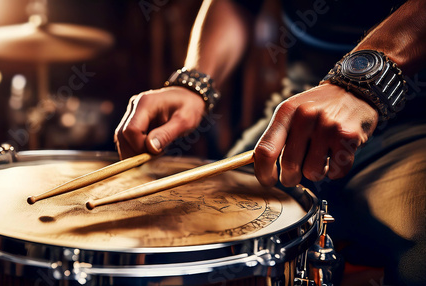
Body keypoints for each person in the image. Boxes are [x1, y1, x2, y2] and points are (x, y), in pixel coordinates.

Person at [115, 0, 426, 284]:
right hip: (307, 90)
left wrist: (365, 79)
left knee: (419, 261)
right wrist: (194, 84)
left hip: (417, 110)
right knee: (206, 232)